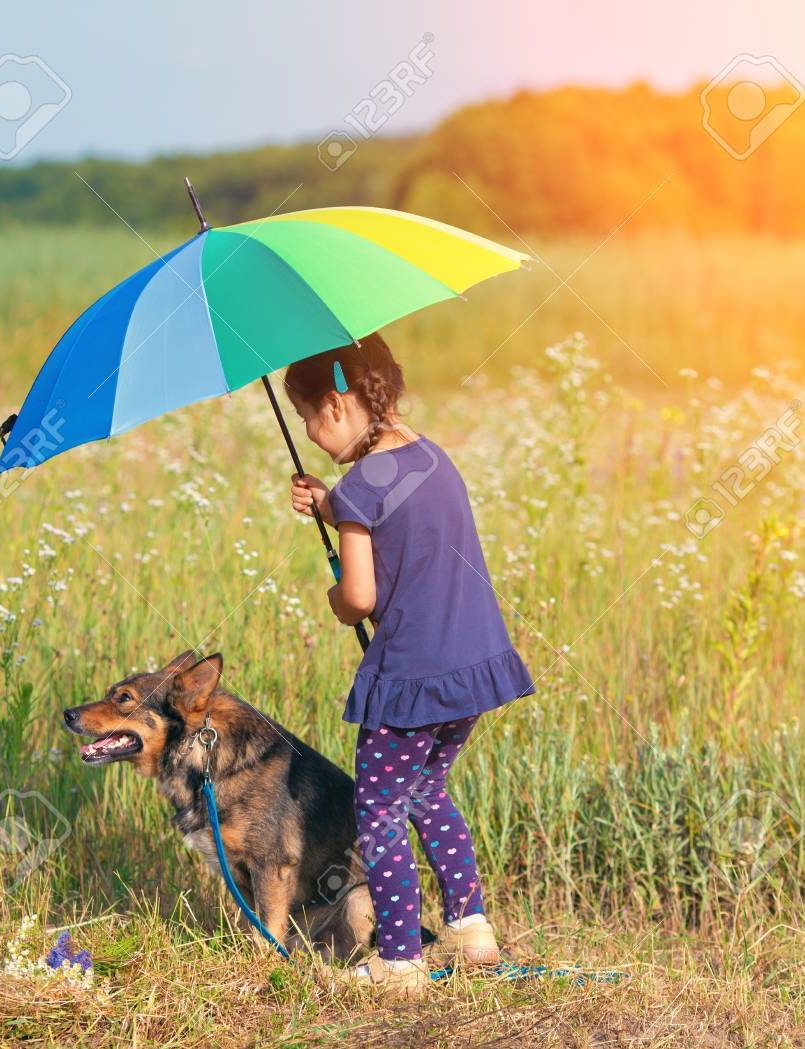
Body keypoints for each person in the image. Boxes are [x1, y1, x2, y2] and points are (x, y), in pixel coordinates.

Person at [285, 333, 534, 997]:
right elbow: (397, 515)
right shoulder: (425, 455)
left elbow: (360, 597)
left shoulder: (360, 484)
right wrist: (333, 506)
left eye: (307, 415)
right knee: (427, 791)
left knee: (381, 812)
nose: (308, 430)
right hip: (472, 668)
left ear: (336, 405)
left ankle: (398, 960)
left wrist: (337, 595)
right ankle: (470, 927)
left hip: (413, 679)